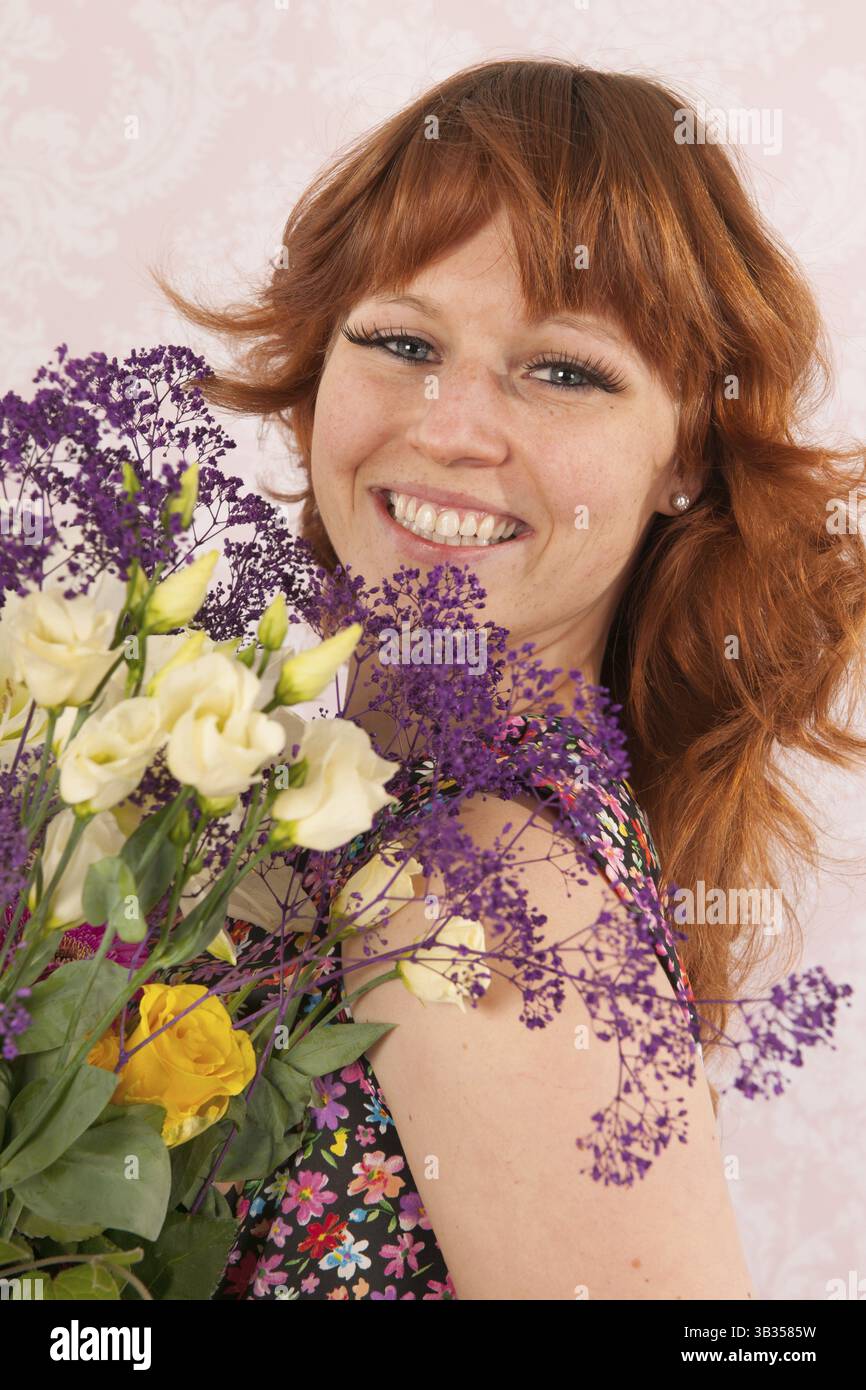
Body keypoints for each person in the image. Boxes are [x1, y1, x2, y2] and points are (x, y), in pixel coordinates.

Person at [156, 58, 866, 1300]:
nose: (449, 426)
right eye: (398, 340)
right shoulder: (343, 823)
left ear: (682, 456)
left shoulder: (487, 897)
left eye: (563, 370)